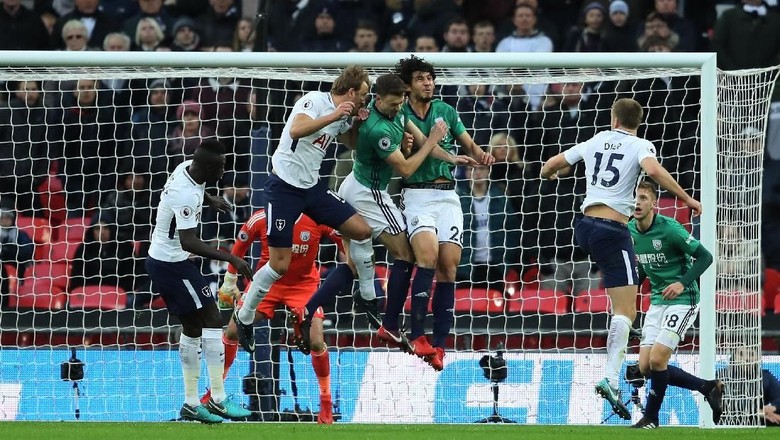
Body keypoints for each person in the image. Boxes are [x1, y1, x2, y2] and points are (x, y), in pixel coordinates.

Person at [540, 97, 701, 420]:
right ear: (637, 122)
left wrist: (550, 176)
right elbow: (653, 170)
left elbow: (550, 165)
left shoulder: (596, 138)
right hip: (613, 230)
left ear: (613, 119)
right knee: (626, 310)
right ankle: (610, 379)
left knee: (624, 293)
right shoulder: (642, 145)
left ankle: (616, 371)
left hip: (583, 227)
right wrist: (686, 198)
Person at [293, 74, 466, 363]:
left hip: (356, 185)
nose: (399, 109)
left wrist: (451, 158)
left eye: (401, 104)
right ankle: (391, 324)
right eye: (394, 104)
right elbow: (407, 170)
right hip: (369, 194)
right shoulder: (377, 128)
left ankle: (308, 310)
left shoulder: (394, 113)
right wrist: (430, 141)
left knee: (351, 262)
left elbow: (421, 142)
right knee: (407, 253)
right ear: (378, 99)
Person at [233, 66, 374, 355]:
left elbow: (352, 143)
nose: (365, 100)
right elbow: (296, 129)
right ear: (350, 92)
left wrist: (358, 122)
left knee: (362, 230)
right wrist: (335, 115)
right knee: (279, 264)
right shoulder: (314, 101)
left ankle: (367, 296)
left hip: (313, 189)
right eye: (363, 95)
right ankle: (244, 316)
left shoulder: (344, 115)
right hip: (284, 188)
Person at [394, 55, 494, 371]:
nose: (428, 83)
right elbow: (426, 146)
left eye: (430, 78)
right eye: (422, 78)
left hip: (448, 196)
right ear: (408, 86)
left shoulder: (446, 111)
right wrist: (453, 158)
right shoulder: (401, 114)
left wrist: (481, 154)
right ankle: (416, 334)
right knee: (427, 256)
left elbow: (469, 144)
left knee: (449, 268)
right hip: (417, 195)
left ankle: (439, 345)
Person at [145, 139, 254, 424]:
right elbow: (188, 241)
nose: (223, 172)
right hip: (173, 264)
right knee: (213, 319)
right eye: (220, 168)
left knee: (193, 329)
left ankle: (192, 404)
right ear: (206, 167)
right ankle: (217, 399)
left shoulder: (186, 169)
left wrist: (210, 199)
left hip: (163, 260)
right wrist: (231, 258)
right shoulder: (186, 194)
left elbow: (193, 192)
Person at [204, 209, 343, 424]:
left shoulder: (318, 217)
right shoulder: (262, 217)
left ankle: (325, 402)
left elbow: (344, 240)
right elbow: (240, 245)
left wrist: (354, 263)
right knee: (232, 330)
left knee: (316, 342)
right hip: (267, 284)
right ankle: (213, 393)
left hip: (303, 286)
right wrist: (230, 280)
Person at [628, 180, 722, 429]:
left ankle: (651, 418)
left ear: (654, 203)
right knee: (646, 367)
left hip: (683, 299)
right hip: (658, 300)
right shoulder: (630, 231)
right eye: (636, 198)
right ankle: (706, 386)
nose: (638, 202)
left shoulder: (671, 229)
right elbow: (643, 266)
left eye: (644, 198)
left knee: (659, 360)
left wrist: (682, 283)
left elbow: (705, 257)